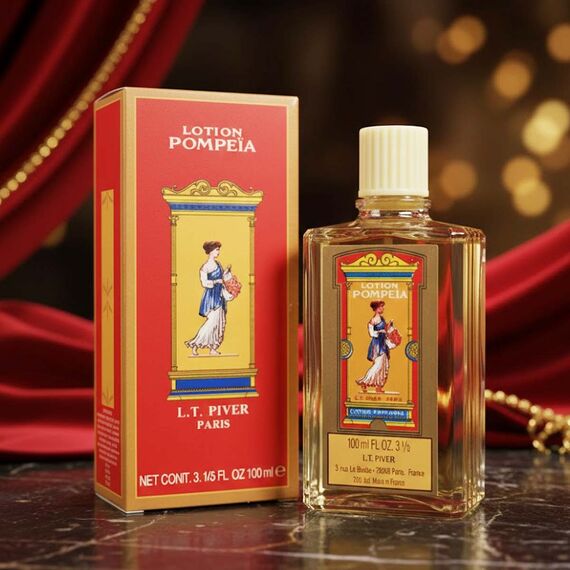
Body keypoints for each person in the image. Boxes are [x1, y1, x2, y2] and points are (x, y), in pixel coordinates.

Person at [185, 241, 232, 356]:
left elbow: (223, 278)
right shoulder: (205, 267)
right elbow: (204, 283)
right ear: (210, 251)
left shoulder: (218, 263)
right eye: (217, 250)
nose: (218, 252)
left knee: (220, 322)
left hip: (220, 295)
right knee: (211, 323)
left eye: (218, 249)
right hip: (211, 297)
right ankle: (195, 345)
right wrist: (216, 281)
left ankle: (213, 348)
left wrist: (227, 272)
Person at [356, 300, 395, 392]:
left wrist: (389, 326)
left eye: (382, 306)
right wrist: (380, 331)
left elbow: (385, 330)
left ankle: (379, 386)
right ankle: (364, 382)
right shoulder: (373, 320)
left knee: (384, 365)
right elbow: (371, 333)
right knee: (378, 365)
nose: (383, 308)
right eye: (381, 306)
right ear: (376, 308)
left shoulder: (382, 318)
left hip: (383, 343)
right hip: (377, 344)